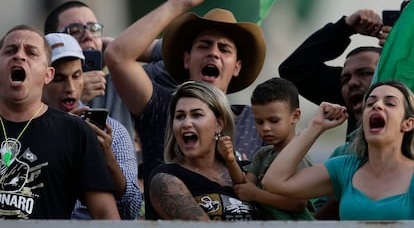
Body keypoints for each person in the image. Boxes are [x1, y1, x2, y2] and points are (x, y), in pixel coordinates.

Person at [104, 0, 267, 200]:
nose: (213, 52)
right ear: (187, 59)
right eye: (204, 45)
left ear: (237, 67)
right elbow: (117, 55)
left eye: (224, 49)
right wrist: (176, 5)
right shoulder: (162, 107)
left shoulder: (256, 121)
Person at [0, 25, 119, 219]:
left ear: (48, 74)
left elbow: (106, 215)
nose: (19, 56)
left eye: (31, 53)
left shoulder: (75, 132)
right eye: (10, 51)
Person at [262, 80, 414, 220]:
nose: (377, 105)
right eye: (370, 103)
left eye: (390, 103)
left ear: (408, 124)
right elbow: (274, 182)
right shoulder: (344, 168)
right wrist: (315, 126)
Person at [44, 0, 177, 141]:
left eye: (94, 29)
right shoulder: (35, 92)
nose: (88, 36)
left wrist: (115, 50)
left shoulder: (123, 83)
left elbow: (183, 57)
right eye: (75, 31)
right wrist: (74, 97)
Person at [42, 33, 141, 219]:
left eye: (76, 75)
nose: (70, 87)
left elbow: (131, 209)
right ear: (43, 78)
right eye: (59, 78)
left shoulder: (111, 131)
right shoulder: (28, 128)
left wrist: (108, 160)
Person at [148, 81, 257, 220]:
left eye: (196, 115)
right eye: (180, 116)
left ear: (219, 124)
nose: (186, 123)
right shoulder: (165, 179)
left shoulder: (248, 170)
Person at [279, 9, 388, 137]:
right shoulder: (343, 156)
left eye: (365, 73)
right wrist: (345, 28)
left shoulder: (404, 92)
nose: (352, 83)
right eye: (345, 80)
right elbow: (293, 69)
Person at [218, 77, 314, 220]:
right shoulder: (263, 153)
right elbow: (245, 185)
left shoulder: (298, 156)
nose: (265, 128)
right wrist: (230, 159)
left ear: (295, 116)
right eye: (259, 122)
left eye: (274, 121)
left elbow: (298, 203)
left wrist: (257, 195)